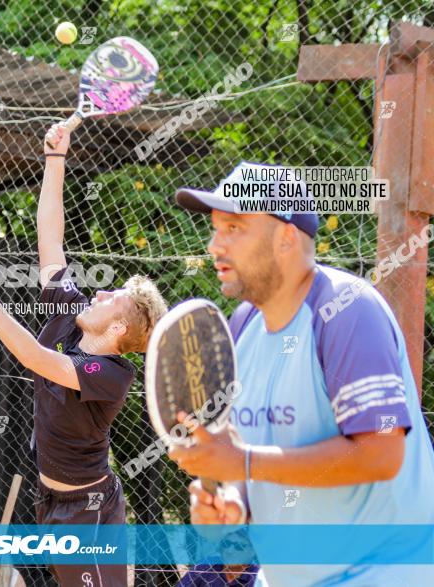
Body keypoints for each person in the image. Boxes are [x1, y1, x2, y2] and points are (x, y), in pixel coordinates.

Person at [169, 161, 434, 585]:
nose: (215, 244)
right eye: (216, 228)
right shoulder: (241, 326)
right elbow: (252, 456)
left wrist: (244, 461)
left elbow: (382, 454)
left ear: (286, 237)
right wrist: (233, 502)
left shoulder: (348, 310)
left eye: (234, 228)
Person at [0, 124, 167, 587]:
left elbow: (34, 358)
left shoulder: (112, 374)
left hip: (90, 508)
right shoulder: (70, 313)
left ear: (117, 329)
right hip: (52, 499)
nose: (99, 291)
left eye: (111, 298)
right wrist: (55, 159)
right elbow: (50, 237)